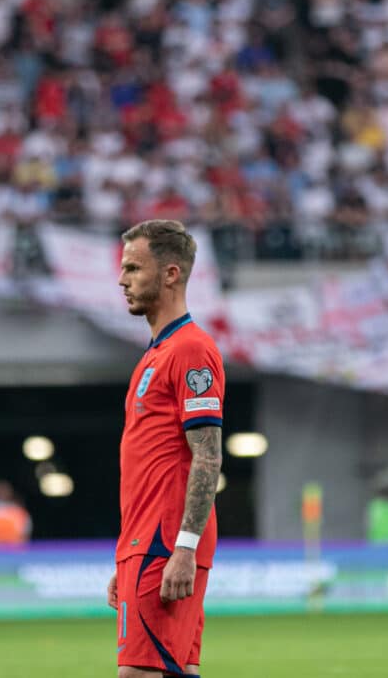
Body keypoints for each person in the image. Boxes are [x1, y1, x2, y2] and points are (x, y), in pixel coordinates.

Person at [107, 219, 225, 678]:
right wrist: (127, 555)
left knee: (138, 673)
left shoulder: (191, 350)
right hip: (147, 541)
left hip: (164, 540)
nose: (122, 280)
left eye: (134, 268)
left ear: (171, 274)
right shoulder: (156, 354)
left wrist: (183, 548)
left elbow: (208, 455)